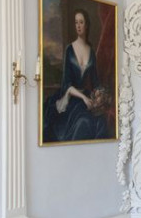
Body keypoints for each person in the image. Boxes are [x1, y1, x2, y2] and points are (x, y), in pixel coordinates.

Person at [44, 9, 108, 142]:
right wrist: (83, 98)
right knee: (83, 121)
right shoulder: (69, 49)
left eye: (81, 22)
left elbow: (95, 81)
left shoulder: (91, 51)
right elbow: (66, 83)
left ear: (87, 25)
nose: (78, 26)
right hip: (71, 97)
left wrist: (99, 94)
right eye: (76, 22)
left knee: (100, 121)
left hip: (85, 96)